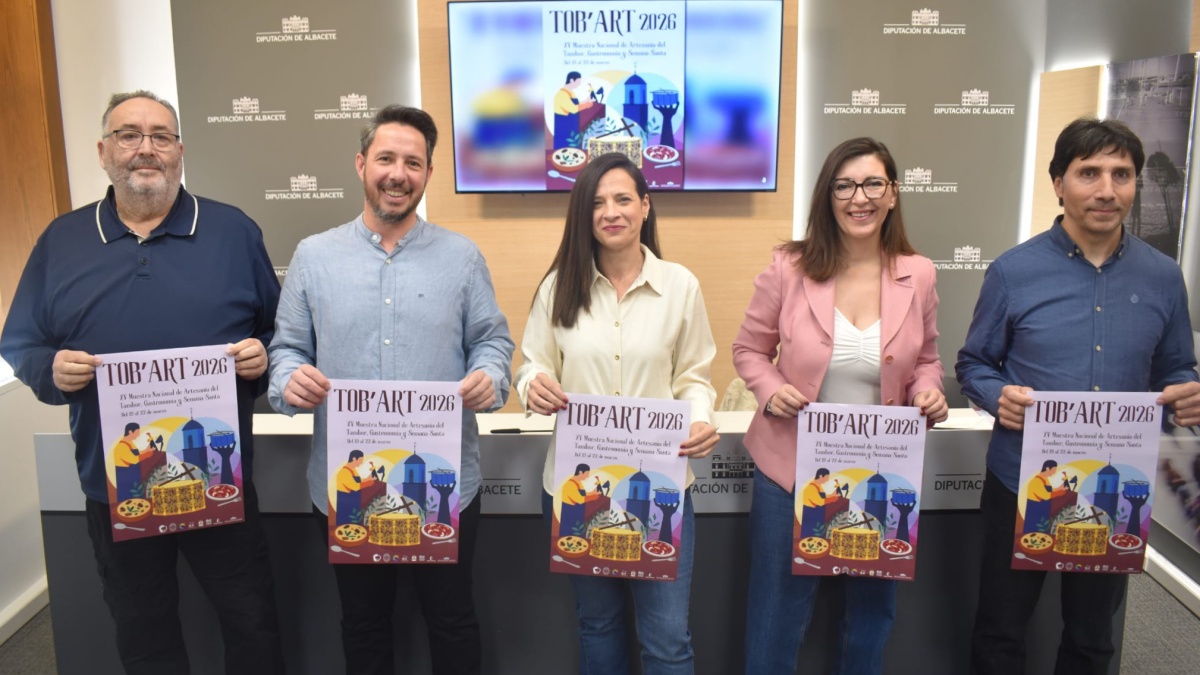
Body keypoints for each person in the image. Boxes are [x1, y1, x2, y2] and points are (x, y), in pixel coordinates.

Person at [0, 90, 283, 675]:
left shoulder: (233, 231)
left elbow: (280, 335)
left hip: (217, 482)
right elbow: (21, 342)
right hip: (117, 484)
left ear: (180, 150)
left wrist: (264, 356)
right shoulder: (61, 240)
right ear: (104, 151)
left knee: (251, 620)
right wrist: (50, 370)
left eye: (161, 136)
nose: (145, 149)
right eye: (129, 135)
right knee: (142, 629)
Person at [268, 104, 514, 675]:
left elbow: (492, 341)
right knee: (363, 623)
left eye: (413, 163)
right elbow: (286, 350)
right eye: (385, 159)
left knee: (452, 620)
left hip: (444, 484)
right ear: (361, 164)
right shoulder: (313, 256)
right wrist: (288, 379)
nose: (398, 174)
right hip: (347, 485)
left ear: (428, 173)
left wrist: (491, 375)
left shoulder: (462, 257)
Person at [956, 117, 1200, 675]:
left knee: (1093, 637)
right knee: (1000, 631)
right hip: (1024, 481)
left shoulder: (1163, 277)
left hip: (1115, 488)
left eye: (1122, 174)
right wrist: (997, 396)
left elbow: (1176, 367)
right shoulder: (1013, 272)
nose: (1107, 190)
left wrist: (1185, 392)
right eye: (1089, 173)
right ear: (1058, 183)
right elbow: (973, 364)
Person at [732, 137, 947, 674]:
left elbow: (927, 358)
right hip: (789, 470)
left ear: (892, 193)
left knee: (869, 617)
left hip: (881, 474)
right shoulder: (789, 267)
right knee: (777, 618)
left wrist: (927, 389)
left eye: (873, 184)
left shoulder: (918, 272)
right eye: (845, 186)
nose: (860, 198)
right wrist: (770, 389)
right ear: (828, 196)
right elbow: (749, 351)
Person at [516, 152, 719, 674]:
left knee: (668, 638)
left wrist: (700, 416)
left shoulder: (680, 285)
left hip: (661, 489)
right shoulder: (558, 286)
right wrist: (532, 385)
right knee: (599, 625)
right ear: (582, 214)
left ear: (645, 206)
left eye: (623, 199)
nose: (611, 212)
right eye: (597, 202)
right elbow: (533, 364)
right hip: (577, 489)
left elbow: (693, 375)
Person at [552, 71, 593, 149]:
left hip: (572, 124)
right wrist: (586, 105)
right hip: (564, 126)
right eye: (578, 82)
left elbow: (575, 103)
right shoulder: (561, 94)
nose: (579, 84)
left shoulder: (570, 92)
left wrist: (585, 101)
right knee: (564, 148)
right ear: (571, 80)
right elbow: (573, 109)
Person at [559, 463, 601, 537]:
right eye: (586, 474)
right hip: (570, 514)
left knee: (579, 534)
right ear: (580, 472)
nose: (587, 476)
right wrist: (593, 497)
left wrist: (592, 493)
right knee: (569, 535)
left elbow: (582, 494)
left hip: (578, 513)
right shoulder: (570, 484)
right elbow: (580, 499)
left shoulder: (578, 483)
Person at [1023, 460, 1065, 534]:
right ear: (1047, 468)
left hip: (1043, 509)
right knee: (1033, 531)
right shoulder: (1036, 481)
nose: (1054, 472)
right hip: (1035, 510)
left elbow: (1049, 490)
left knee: (1043, 531)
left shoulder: (1045, 479)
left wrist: (1059, 488)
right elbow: (1046, 496)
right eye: (1054, 470)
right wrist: (1059, 492)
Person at [336, 450, 376, 526]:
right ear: (354, 459)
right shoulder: (344, 472)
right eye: (360, 460)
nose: (361, 462)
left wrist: (367, 479)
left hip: (354, 500)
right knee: (346, 523)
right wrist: (368, 483)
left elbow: (358, 481)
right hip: (346, 501)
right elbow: (355, 486)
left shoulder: (353, 469)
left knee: (355, 521)